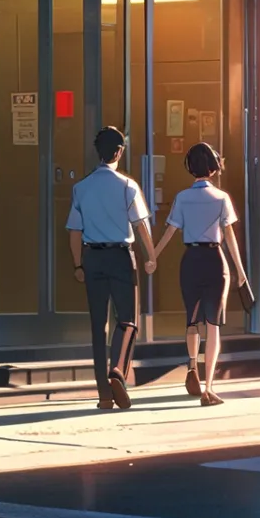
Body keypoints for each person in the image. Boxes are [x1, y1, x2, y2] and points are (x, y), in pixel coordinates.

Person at [66, 126, 158, 411]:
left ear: (98, 151)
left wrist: (78, 264)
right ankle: (118, 369)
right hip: (121, 256)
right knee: (128, 319)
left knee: (98, 326)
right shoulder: (127, 186)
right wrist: (150, 256)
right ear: (119, 151)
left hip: (92, 258)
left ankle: (104, 395)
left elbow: (74, 231)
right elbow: (141, 225)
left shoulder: (81, 187)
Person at [153, 142, 246, 407]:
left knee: (191, 320)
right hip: (215, 260)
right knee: (214, 325)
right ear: (214, 167)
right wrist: (240, 271)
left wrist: (153, 257)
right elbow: (230, 238)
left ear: (190, 167)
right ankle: (209, 387)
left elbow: (170, 231)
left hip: (190, 260)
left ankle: (192, 364)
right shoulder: (222, 198)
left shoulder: (182, 197)